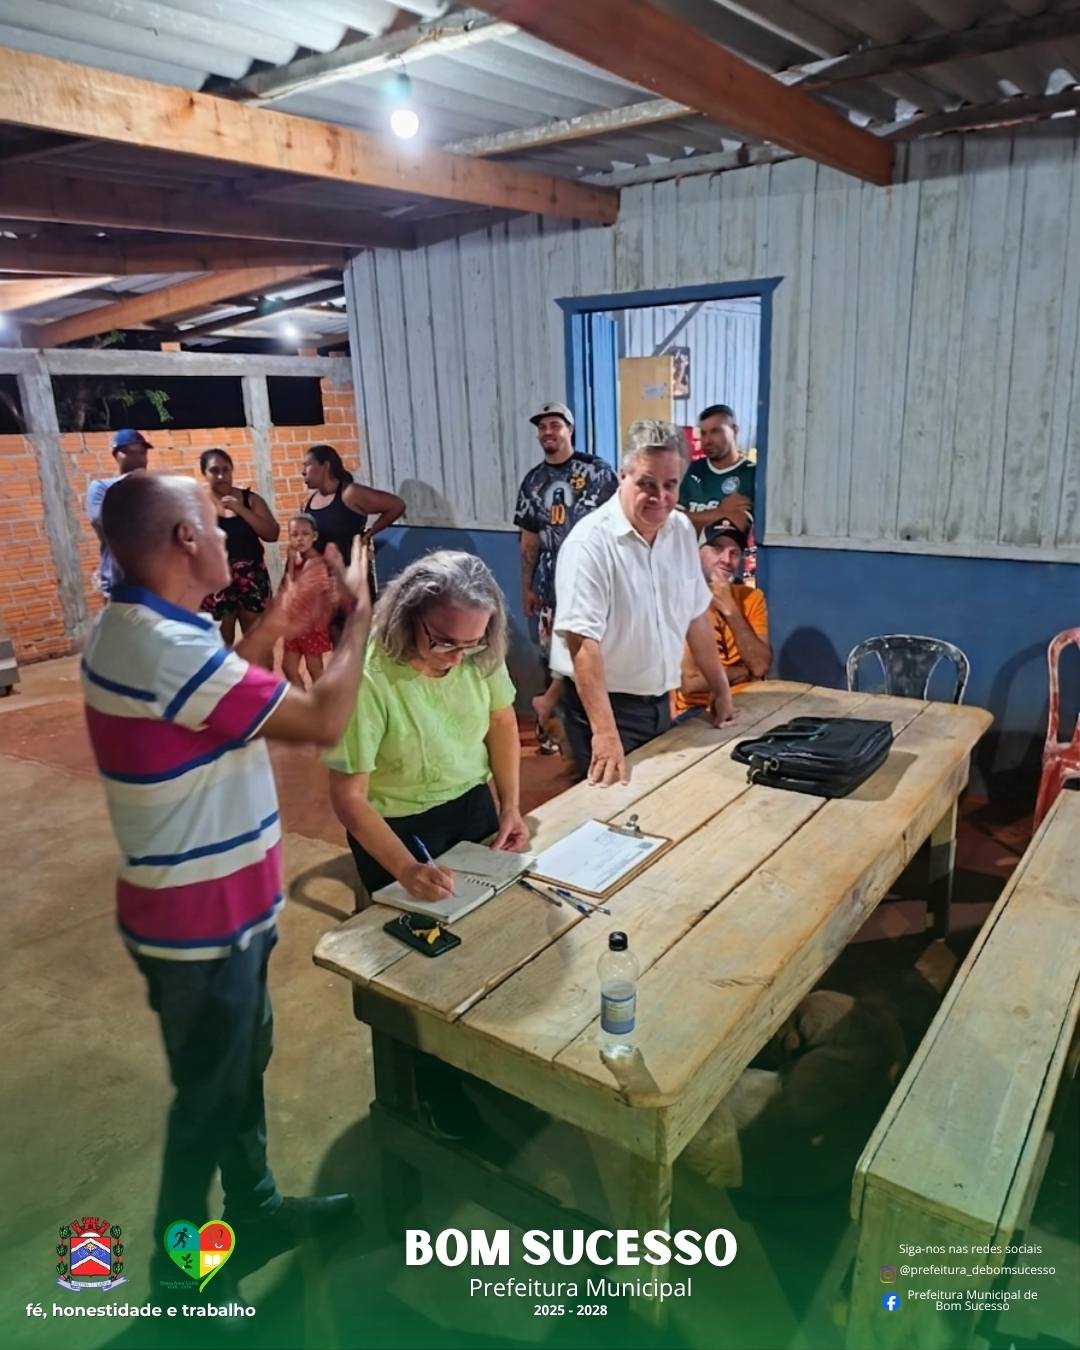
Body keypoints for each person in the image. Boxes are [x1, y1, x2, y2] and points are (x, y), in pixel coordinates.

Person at [80, 471, 371, 1303]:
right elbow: (323, 721)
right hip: (199, 926)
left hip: (221, 911)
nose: (223, 533)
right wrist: (359, 615)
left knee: (237, 1074)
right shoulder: (162, 646)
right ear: (184, 539)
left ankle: (256, 1210)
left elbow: (212, 695)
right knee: (208, 1104)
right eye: (213, 522)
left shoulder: (144, 630)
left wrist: (278, 620)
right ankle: (178, 1286)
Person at [327, 550, 528, 903]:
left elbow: (501, 721)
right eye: (444, 641)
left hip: (472, 801)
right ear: (409, 615)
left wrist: (510, 805)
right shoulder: (364, 677)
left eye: (471, 644)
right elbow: (349, 797)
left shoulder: (480, 653)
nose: (457, 658)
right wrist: (406, 869)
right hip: (396, 825)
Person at [551, 420, 736, 786]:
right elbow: (582, 643)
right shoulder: (589, 544)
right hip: (602, 710)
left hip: (660, 703)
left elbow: (696, 615)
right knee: (606, 812)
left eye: (670, 485)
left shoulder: (680, 530)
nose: (660, 497)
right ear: (623, 476)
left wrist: (720, 688)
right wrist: (605, 734)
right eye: (646, 483)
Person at [514, 401, 617, 754]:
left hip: (594, 582)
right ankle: (552, 731)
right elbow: (529, 539)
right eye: (542, 427)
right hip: (550, 587)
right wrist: (527, 587)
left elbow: (618, 522)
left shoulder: (598, 472)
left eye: (555, 425)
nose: (548, 432)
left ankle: (594, 727)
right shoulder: (533, 481)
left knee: (592, 654)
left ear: (569, 429)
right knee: (553, 659)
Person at [674, 520, 772, 717]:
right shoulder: (680, 598)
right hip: (697, 711)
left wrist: (731, 611)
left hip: (751, 700)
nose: (726, 560)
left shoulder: (752, 597)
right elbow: (690, 683)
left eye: (734, 553)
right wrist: (742, 672)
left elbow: (760, 666)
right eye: (717, 549)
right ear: (696, 553)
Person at [199, 448, 279, 645]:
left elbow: (272, 534)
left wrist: (241, 510)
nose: (221, 476)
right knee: (220, 642)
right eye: (214, 470)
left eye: (225, 469)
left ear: (232, 470)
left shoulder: (250, 500)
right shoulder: (197, 504)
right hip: (215, 578)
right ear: (204, 473)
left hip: (251, 576)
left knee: (257, 642)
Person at [301, 443, 405, 583]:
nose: (303, 472)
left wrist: (370, 533)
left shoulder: (349, 494)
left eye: (307, 465)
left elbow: (396, 505)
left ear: (325, 466)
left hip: (351, 580)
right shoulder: (308, 502)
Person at [86, 429, 151, 595]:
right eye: (130, 452)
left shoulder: (154, 487)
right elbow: (106, 525)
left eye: (142, 452)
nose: (138, 458)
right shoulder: (101, 487)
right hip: (120, 583)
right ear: (116, 455)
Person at [680, 404, 756, 537]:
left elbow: (738, 524)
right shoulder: (690, 470)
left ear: (734, 430)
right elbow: (671, 523)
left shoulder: (751, 474)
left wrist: (692, 518)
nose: (707, 440)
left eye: (715, 431)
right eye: (703, 433)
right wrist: (721, 512)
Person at [282, 513, 333, 687]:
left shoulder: (316, 562)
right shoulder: (296, 561)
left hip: (310, 624)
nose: (299, 539)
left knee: (314, 668)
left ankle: (322, 701)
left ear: (314, 536)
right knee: (288, 667)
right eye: (294, 535)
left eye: (305, 534)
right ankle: (304, 700)